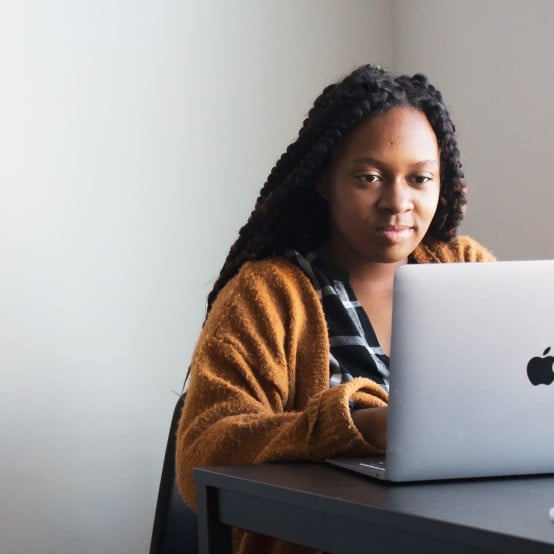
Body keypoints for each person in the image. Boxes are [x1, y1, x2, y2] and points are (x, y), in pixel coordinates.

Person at [175, 64, 495, 554]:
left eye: (419, 178)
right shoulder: (268, 294)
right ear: (325, 178)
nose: (397, 202)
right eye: (369, 177)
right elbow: (204, 451)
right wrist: (355, 426)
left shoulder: (465, 269)